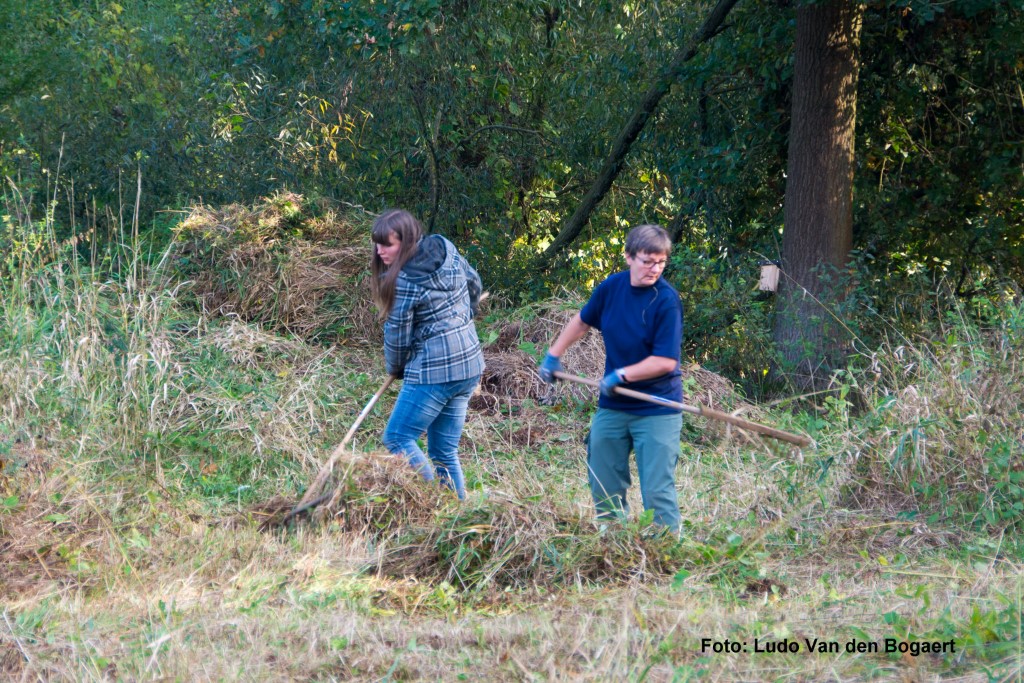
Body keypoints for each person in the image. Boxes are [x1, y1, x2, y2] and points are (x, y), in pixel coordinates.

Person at [539, 224, 684, 533]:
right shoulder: (611, 288)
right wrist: (554, 355)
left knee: (657, 489)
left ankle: (667, 550)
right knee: (603, 475)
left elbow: (665, 361)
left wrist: (623, 374)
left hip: (657, 406)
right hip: (615, 404)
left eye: (661, 262)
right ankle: (612, 540)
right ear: (629, 257)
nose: (654, 269)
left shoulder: (666, 300)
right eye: (648, 261)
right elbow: (581, 322)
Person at [370, 209, 484, 500]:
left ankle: (431, 501)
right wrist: (466, 313)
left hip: (436, 371)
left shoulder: (406, 280)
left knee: (397, 437)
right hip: (469, 364)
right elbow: (475, 282)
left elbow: (397, 332)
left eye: (388, 244)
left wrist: (395, 368)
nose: (381, 251)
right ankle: (455, 514)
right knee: (444, 451)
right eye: (378, 243)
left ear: (407, 241)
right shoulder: (445, 247)